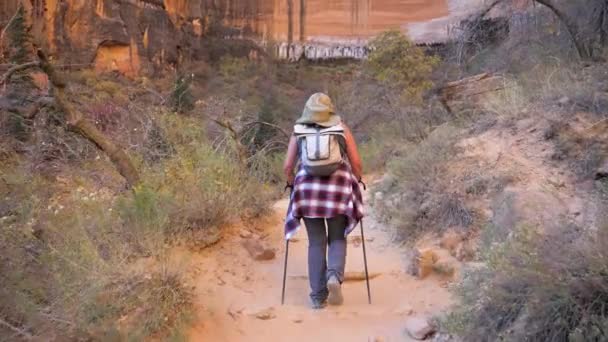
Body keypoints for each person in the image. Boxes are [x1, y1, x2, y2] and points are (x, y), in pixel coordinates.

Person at [283, 93, 364, 309]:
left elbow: (287, 167)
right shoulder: (341, 128)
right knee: (337, 237)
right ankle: (334, 278)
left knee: (316, 242)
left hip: (308, 191)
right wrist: (358, 179)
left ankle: (318, 296)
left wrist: (292, 184)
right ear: (330, 110)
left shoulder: (298, 131)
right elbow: (356, 162)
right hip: (337, 188)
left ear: (307, 111)